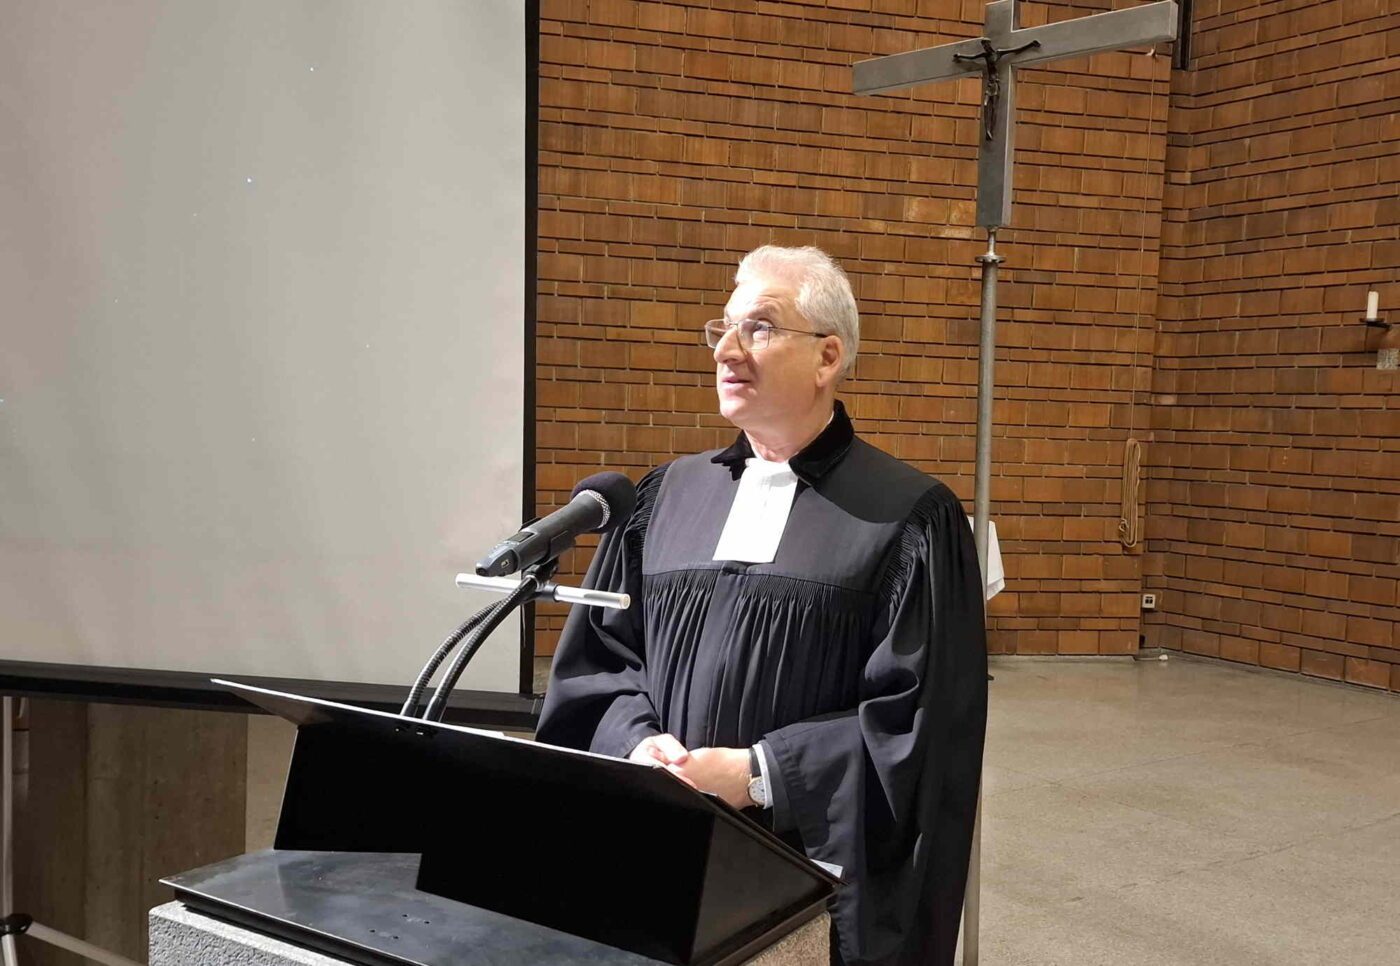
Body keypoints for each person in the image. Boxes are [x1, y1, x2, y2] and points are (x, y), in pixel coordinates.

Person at [536, 245, 987, 966]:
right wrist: (636, 742)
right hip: (656, 856)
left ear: (827, 356)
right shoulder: (666, 497)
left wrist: (759, 772)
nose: (729, 350)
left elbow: (920, 727)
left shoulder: (905, 517)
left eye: (761, 328)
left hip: (796, 883)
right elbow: (603, 660)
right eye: (723, 328)